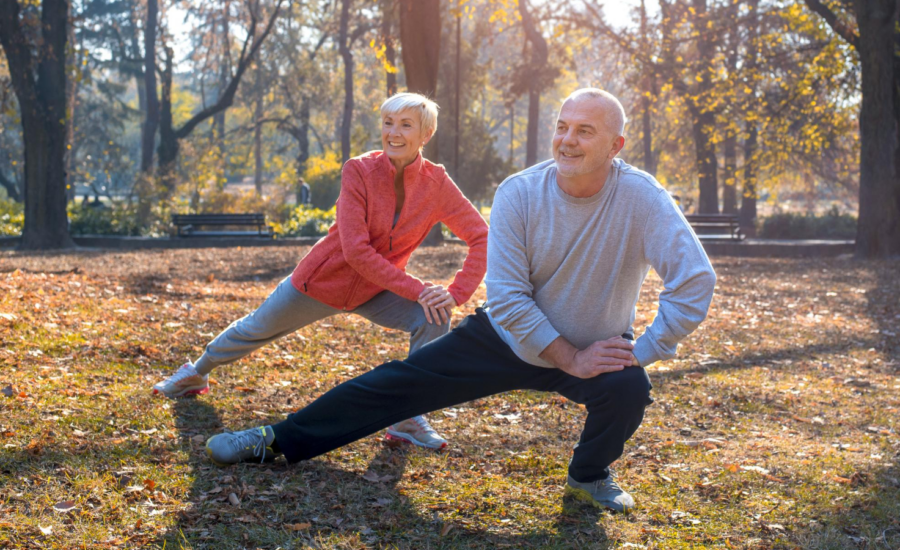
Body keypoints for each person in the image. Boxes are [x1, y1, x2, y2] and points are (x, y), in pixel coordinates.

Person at [202, 88, 716, 512]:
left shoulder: (642, 197)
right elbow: (510, 299)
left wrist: (640, 350)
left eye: (585, 130)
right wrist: (569, 358)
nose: (567, 139)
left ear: (616, 144)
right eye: (562, 126)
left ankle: (589, 474)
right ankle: (276, 439)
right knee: (394, 385)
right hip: (506, 338)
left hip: (595, 345)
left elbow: (694, 280)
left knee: (628, 391)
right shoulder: (520, 193)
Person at [153, 92, 489, 450]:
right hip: (322, 282)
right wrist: (418, 288)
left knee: (434, 315)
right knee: (255, 328)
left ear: (426, 134)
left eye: (406, 125)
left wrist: (454, 293)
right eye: (388, 122)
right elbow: (356, 252)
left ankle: (406, 415)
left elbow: (482, 236)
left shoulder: (436, 184)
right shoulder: (359, 170)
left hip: (376, 290)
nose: (393, 132)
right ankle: (196, 372)